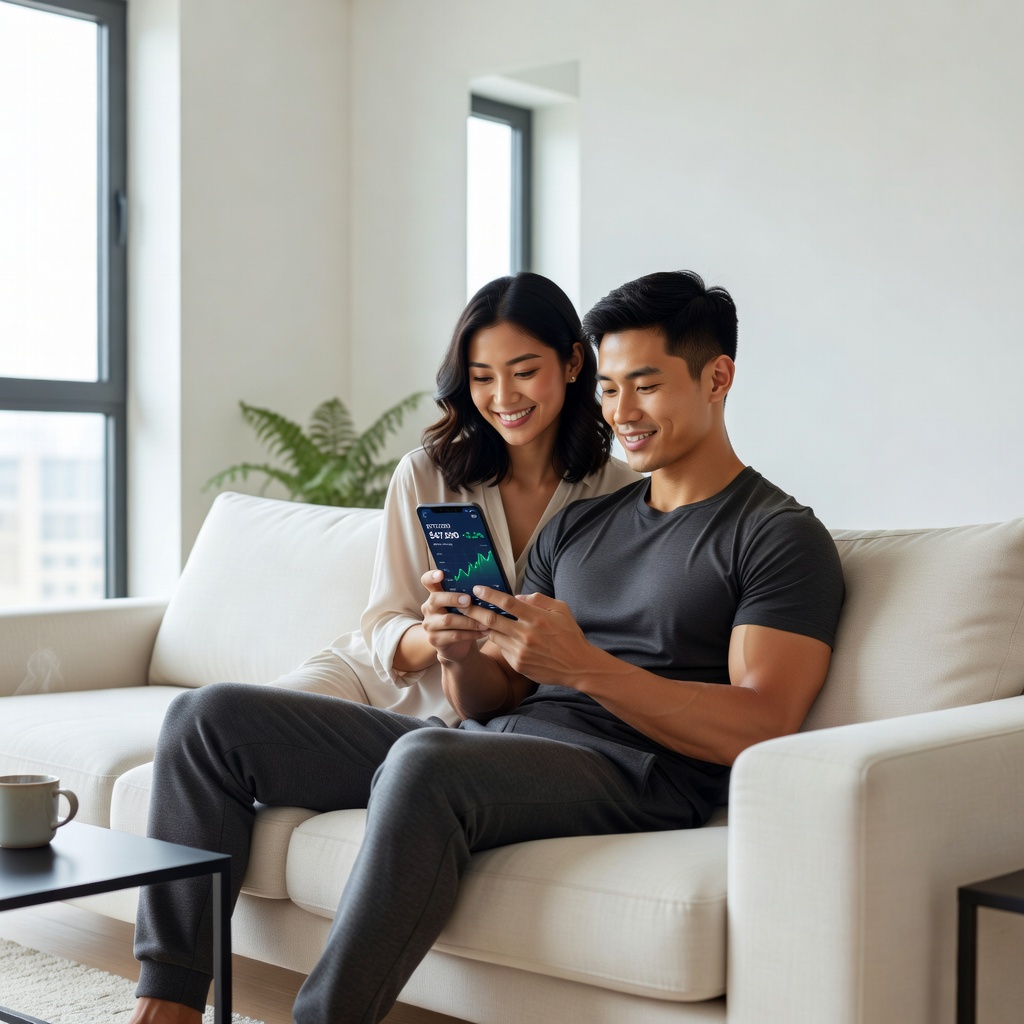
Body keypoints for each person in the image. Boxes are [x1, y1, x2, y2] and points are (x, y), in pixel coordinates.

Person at [128, 270, 844, 1024]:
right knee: (206, 720)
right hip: (495, 745)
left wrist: (586, 668)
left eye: (646, 386)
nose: (622, 412)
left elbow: (763, 724)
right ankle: (166, 1008)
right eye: (610, 389)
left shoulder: (777, 535)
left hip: (638, 773)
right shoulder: (584, 522)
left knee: (428, 759)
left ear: (718, 378)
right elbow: (492, 703)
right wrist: (462, 648)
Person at [268, 271, 638, 723]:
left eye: (524, 372)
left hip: (473, 721)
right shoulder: (425, 474)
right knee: (208, 716)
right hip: (364, 685)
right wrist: (443, 636)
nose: (504, 397)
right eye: (482, 378)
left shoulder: (624, 494)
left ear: (573, 362)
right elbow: (384, 626)